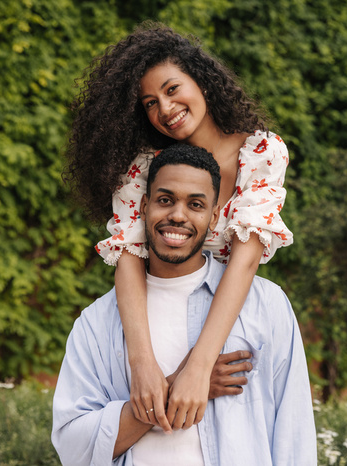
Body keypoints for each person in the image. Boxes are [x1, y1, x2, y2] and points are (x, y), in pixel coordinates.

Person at [63, 23, 292, 433]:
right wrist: (143, 365)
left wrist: (199, 366)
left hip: (229, 322)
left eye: (172, 90)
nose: (164, 109)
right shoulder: (145, 169)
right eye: (150, 102)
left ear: (201, 82)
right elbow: (129, 257)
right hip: (153, 315)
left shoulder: (258, 152)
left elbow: (245, 261)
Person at [52, 145, 316, 465]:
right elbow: (71, 446)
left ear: (214, 216)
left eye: (195, 204)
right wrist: (178, 385)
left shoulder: (265, 307)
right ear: (144, 206)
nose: (178, 215)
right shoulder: (96, 323)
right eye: (165, 200)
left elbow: (294, 438)